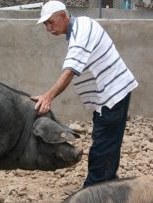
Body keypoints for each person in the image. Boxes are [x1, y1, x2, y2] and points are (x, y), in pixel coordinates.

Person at [31, 0, 138, 188]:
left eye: (50, 22)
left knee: (102, 144)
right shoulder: (77, 31)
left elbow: (71, 69)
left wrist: (48, 97)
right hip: (109, 95)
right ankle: (108, 183)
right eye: (46, 25)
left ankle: (93, 189)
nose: (48, 28)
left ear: (63, 16)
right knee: (108, 141)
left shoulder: (83, 27)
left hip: (112, 94)